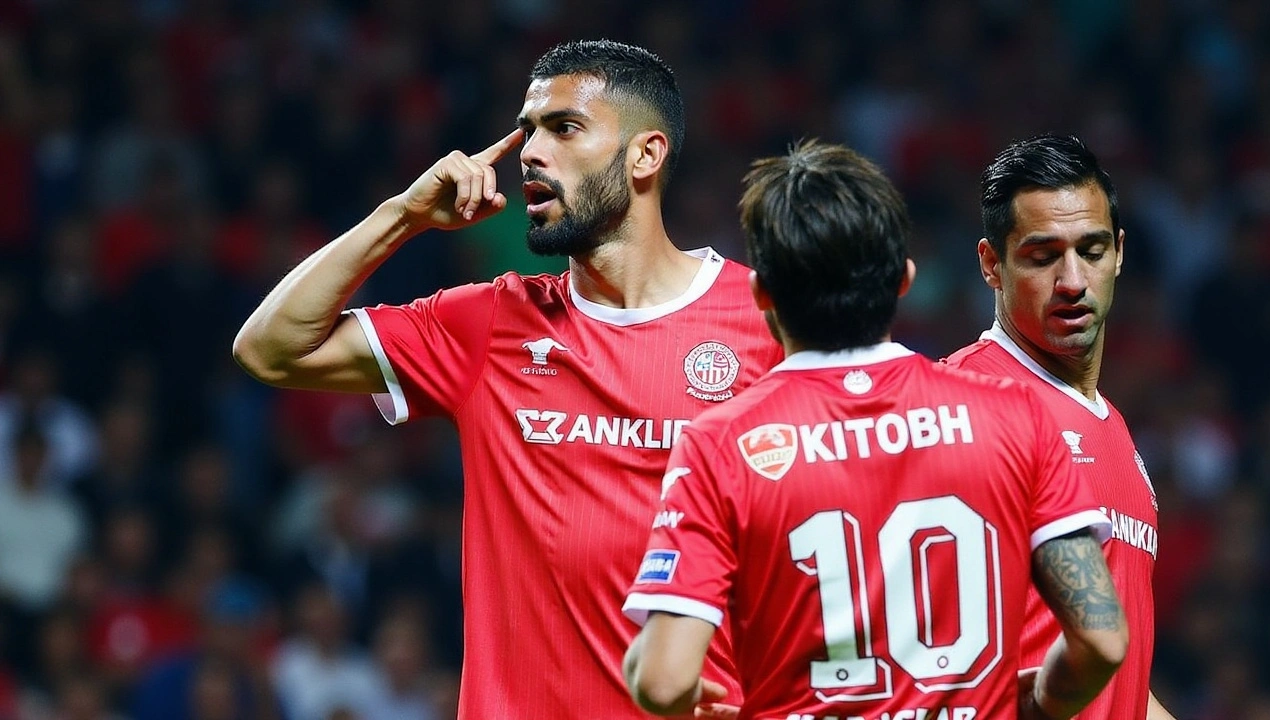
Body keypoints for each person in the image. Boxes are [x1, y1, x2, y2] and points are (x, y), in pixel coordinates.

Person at [231, 39, 782, 719]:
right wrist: (401, 216)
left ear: (646, 154)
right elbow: (270, 348)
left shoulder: (765, 323)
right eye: (528, 130)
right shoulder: (490, 324)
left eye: (564, 128)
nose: (530, 152)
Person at [622, 140, 1128, 720]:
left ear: (760, 292)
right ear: (904, 280)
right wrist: (1040, 704)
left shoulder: (720, 445)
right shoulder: (1015, 415)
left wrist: (655, 676)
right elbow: (1102, 639)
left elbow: (662, 682)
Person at [943, 134, 1174, 719]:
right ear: (991, 265)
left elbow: (1120, 686)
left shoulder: (1115, 429)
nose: (1072, 280)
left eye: (1091, 251)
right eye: (1043, 257)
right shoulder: (965, 404)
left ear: (1119, 253)